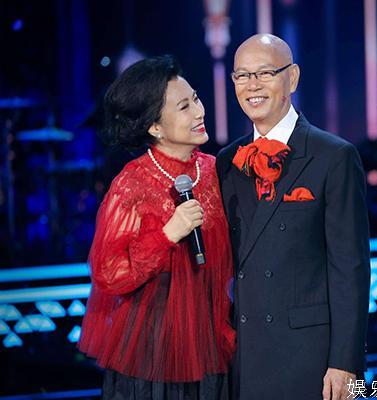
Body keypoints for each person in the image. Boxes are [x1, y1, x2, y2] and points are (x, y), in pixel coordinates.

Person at [216, 34, 371, 400]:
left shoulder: (333, 156)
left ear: (293, 77)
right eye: (241, 76)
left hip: (310, 357)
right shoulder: (226, 162)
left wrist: (345, 362)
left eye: (265, 73)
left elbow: (350, 267)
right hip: (245, 355)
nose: (251, 86)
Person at [78, 55, 235, 399]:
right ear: (155, 127)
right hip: (153, 351)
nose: (199, 111)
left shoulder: (216, 170)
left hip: (213, 339)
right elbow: (110, 273)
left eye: (195, 99)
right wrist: (167, 234)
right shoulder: (132, 184)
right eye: (184, 107)